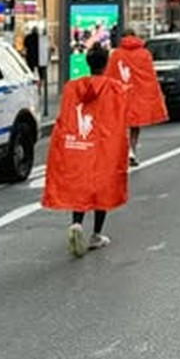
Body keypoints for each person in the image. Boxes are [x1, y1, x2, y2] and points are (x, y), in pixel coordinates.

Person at [42, 44, 128, 256]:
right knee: (102, 189)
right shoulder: (115, 87)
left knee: (81, 185)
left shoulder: (72, 87)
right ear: (106, 63)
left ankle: (77, 224)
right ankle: (96, 234)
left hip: (78, 145)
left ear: (88, 63)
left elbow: (64, 118)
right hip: (103, 146)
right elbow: (119, 119)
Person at [107, 27, 168, 167]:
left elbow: (110, 75)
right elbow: (149, 76)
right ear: (135, 36)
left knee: (121, 125)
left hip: (121, 93)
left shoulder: (116, 54)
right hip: (138, 93)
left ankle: (124, 151)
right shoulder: (144, 53)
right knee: (135, 125)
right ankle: (132, 151)